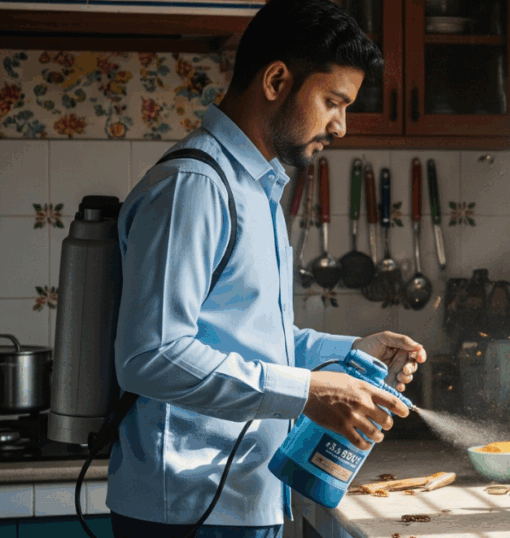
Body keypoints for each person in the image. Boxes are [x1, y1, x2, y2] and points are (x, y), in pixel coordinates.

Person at [108, 1, 423, 536]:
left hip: (243, 498)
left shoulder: (256, 189)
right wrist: (308, 392)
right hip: (189, 508)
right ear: (277, 80)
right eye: (333, 101)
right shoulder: (196, 187)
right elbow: (151, 355)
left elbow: (244, 339)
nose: (341, 126)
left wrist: (347, 353)